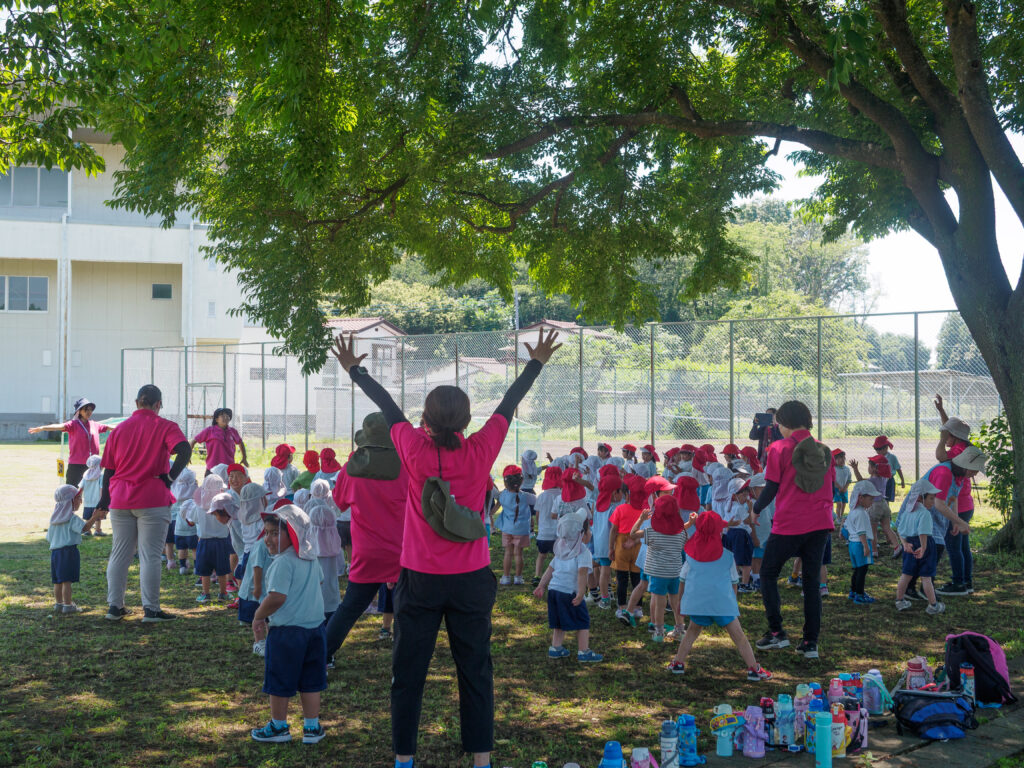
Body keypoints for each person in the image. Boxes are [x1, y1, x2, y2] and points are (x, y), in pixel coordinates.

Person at [331, 328, 559, 768]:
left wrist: (355, 370)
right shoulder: (481, 450)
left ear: (426, 421)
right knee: (475, 671)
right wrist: (535, 363)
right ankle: (481, 760)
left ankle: (404, 760)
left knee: (408, 674)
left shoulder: (413, 449)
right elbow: (508, 404)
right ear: (467, 421)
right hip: (471, 580)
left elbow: (388, 407)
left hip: (419, 581)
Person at [97, 384, 190, 623]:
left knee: (119, 554)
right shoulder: (165, 426)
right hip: (152, 498)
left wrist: (104, 502)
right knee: (150, 556)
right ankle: (151, 610)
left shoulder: (119, 429)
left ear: (137, 402)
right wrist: (170, 477)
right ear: (159, 404)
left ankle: (115, 607)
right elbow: (185, 450)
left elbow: (109, 470)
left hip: (120, 499)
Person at [751, 400, 835, 660]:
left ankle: (777, 632)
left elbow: (771, 487)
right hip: (820, 523)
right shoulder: (824, 450)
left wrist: (756, 509)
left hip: (790, 522)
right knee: (811, 582)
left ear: (784, 422)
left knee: (768, 573)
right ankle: (810, 642)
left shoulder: (780, 448)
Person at [326, 411, 409, 665]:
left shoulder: (351, 468)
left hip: (366, 551)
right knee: (407, 612)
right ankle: (404, 666)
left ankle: (322, 656)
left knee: (350, 607)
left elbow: (340, 502)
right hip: (403, 551)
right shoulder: (407, 465)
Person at [250, 504, 327, 745]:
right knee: (311, 681)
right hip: (315, 630)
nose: (268, 539)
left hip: (287, 633)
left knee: (279, 680)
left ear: (293, 533)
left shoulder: (283, 562)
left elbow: (276, 597)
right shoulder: (311, 559)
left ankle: (279, 726)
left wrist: (258, 616)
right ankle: (312, 727)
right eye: (266, 533)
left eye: (275, 533)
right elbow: (319, 583)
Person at [668, 510, 772, 681]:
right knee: (739, 637)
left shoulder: (691, 556)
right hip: (723, 604)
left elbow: (682, 581)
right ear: (718, 533)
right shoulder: (728, 556)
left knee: (692, 632)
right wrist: (733, 604)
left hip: (698, 604)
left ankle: (678, 663)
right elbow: (734, 582)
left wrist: (680, 602)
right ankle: (754, 669)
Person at [532, 511, 603, 662]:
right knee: (583, 621)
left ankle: (556, 648)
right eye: (589, 530)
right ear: (582, 534)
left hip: (554, 591)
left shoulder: (560, 549)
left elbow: (550, 569)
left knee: (558, 621)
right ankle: (584, 651)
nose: (590, 533)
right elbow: (582, 574)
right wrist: (581, 593)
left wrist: (541, 585)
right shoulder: (583, 552)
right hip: (570, 593)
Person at [933, 396, 977, 595]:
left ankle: (958, 583)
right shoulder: (963, 445)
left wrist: (942, 439)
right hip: (966, 503)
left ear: (953, 436)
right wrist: (942, 411)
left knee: (953, 546)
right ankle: (967, 582)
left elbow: (941, 456)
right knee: (963, 546)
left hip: (956, 505)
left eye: (946, 434)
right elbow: (950, 430)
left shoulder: (958, 450)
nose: (944, 436)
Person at [638, 495, 691, 643]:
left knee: (659, 604)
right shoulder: (681, 533)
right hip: (675, 573)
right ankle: (680, 630)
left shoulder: (651, 532)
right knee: (675, 602)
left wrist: (641, 519)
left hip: (658, 573)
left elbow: (632, 534)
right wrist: (689, 524)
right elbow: (682, 537)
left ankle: (659, 632)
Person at [29, 396, 113, 487]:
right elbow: (59, 426)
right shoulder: (73, 424)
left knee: (93, 491)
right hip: (76, 465)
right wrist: (42, 428)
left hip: (93, 466)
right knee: (72, 490)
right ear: (79, 411)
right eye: (86, 409)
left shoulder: (95, 424)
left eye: (90, 410)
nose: (89, 412)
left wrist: (124, 427)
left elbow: (110, 427)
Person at [48, 484, 105, 614]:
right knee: (67, 580)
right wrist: (95, 517)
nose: (81, 501)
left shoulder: (54, 519)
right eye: (78, 498)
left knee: (58, 581)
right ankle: (68, 605)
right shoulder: (72, 518)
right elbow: (84, 528)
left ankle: (59, 604)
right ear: (70, 501)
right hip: (68, 552)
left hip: (55, 553)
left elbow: (49, 538)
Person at [894, 478, 944, 614]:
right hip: (924, 546)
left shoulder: (907, 513)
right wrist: (923, 547)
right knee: (926, 577)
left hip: (909, 546)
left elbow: (900, 530)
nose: (933, 502)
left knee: (906, 574)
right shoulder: (925, 514)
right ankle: (933, 605)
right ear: (921, 498)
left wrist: (905, 544)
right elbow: (923, 532)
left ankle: (899, 601)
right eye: (931, 498)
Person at [609, 474, 646, 622]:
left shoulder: (620, 509)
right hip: (638, 544)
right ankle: (638, 608)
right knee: (638, 580)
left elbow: (613, 530)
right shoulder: (646, 512)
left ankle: (622, 607)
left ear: (626, 494)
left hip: (621, 544)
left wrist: (610, 548)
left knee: (622, 579)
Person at [849, 456, 901, 556]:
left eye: (869, 466)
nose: (868, 468)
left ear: (874, 468)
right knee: (887, 527)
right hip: (884, 504)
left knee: (872, 530)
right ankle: (897, 546)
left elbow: (860, 480)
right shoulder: (884, 478)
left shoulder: (872, 481)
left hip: (874, 506)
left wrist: (855, 469)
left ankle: (874, 551)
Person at [307, 479, 343, 618]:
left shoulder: (307, 546)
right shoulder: (335, 546)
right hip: (332, 595)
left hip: (311, 596)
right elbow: (340, 568)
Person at [496, 466, 535, 585]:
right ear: (521, 481)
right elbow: (538, 501)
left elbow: (496, 501)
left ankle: (506, 577)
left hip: (507, 529)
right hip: (521, 530)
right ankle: (518, 578)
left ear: (505, 482)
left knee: (508, 553)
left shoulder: (502, 495)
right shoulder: (527, 496)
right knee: (518, 554)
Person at [196, 490, 236, 603]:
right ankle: (223, 593)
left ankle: (206, 594)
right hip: (221, 541)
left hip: (204, 541)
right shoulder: (224, 502)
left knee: (205, 571)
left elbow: (192, 518)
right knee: (222, 570)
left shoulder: (199, 505)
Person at [591, 470, 622, 608]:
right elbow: (616, 529)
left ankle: (605, 598)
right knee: (612, 572)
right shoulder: (614, 509)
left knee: (605, 571)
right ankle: (612, 598)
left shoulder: (598, 507)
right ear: (614, 493)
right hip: (611, 545)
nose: (622, 495)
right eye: (620, 492)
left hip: (599, 544)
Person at [844, 480, 879, 604]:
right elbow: (861, 531)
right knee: (862, 570)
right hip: (860, 544)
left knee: (857, 569)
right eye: (870, 499)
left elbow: (845, 527)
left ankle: (853, 591)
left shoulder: (853, 512)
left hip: (853, 544)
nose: (872, 502)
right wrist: (866, 546)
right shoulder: (861, 513)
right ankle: (859, 595)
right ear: (861, 498)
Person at [722, 477, 757, 592]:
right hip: (741, 535)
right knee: (746, 560)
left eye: (747, 495)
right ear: (734, 495)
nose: (746, 498)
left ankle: (732, 581)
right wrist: (750, 509)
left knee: (733, 559)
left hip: (729, 533)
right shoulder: (739, 508)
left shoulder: (728, 505)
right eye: (743, 495)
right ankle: (744, 584)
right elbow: (749, 521)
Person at [190, 408, 247, 475]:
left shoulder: (233, 431)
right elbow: (193, 441)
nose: (226, 417)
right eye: (223, 415)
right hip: (212, 468)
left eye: (227, 415)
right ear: (216, 419)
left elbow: (240, 442)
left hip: (228, 468)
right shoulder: (209, 430)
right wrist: (188, 456)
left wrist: (244, 457)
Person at [532, 466, 563, 587]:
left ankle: (537, 576)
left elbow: (537, 514)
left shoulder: (542, 496)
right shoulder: (563, 495)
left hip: (544, 533)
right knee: (558, 557)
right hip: (559, 534)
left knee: (541, 555)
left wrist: (539, 527)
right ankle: (557, 576)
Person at [171, 469, 200, 574]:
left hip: (179, 526)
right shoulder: (193, 489)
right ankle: (196, 567)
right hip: (192, 525)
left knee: (181, 549)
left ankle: (182, 567)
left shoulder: (176, 489)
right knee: (195, 548)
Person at [79, 454, 105, 536]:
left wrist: (79, 497)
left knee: (88, 516)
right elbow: (101, 488)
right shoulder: (101, 476)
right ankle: (98, 530)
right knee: (97, 517)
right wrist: (102, 500)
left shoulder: (86, 475)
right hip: (97, 501)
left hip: (87, 501)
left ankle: (87, 530)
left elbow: (81, 487)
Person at [832, 449, 852, 524]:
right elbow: (833, 480)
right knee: (839, 503)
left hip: (844, 489)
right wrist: (839, 487)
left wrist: (845, 487)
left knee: (844, 503)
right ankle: (837, 517)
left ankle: (841, 516)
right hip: (837, 489)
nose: (842, 460)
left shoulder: (847, 469)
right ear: (835, 460)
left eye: (843, 458)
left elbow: (849, 480)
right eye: (840, 458)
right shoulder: (834, 469)